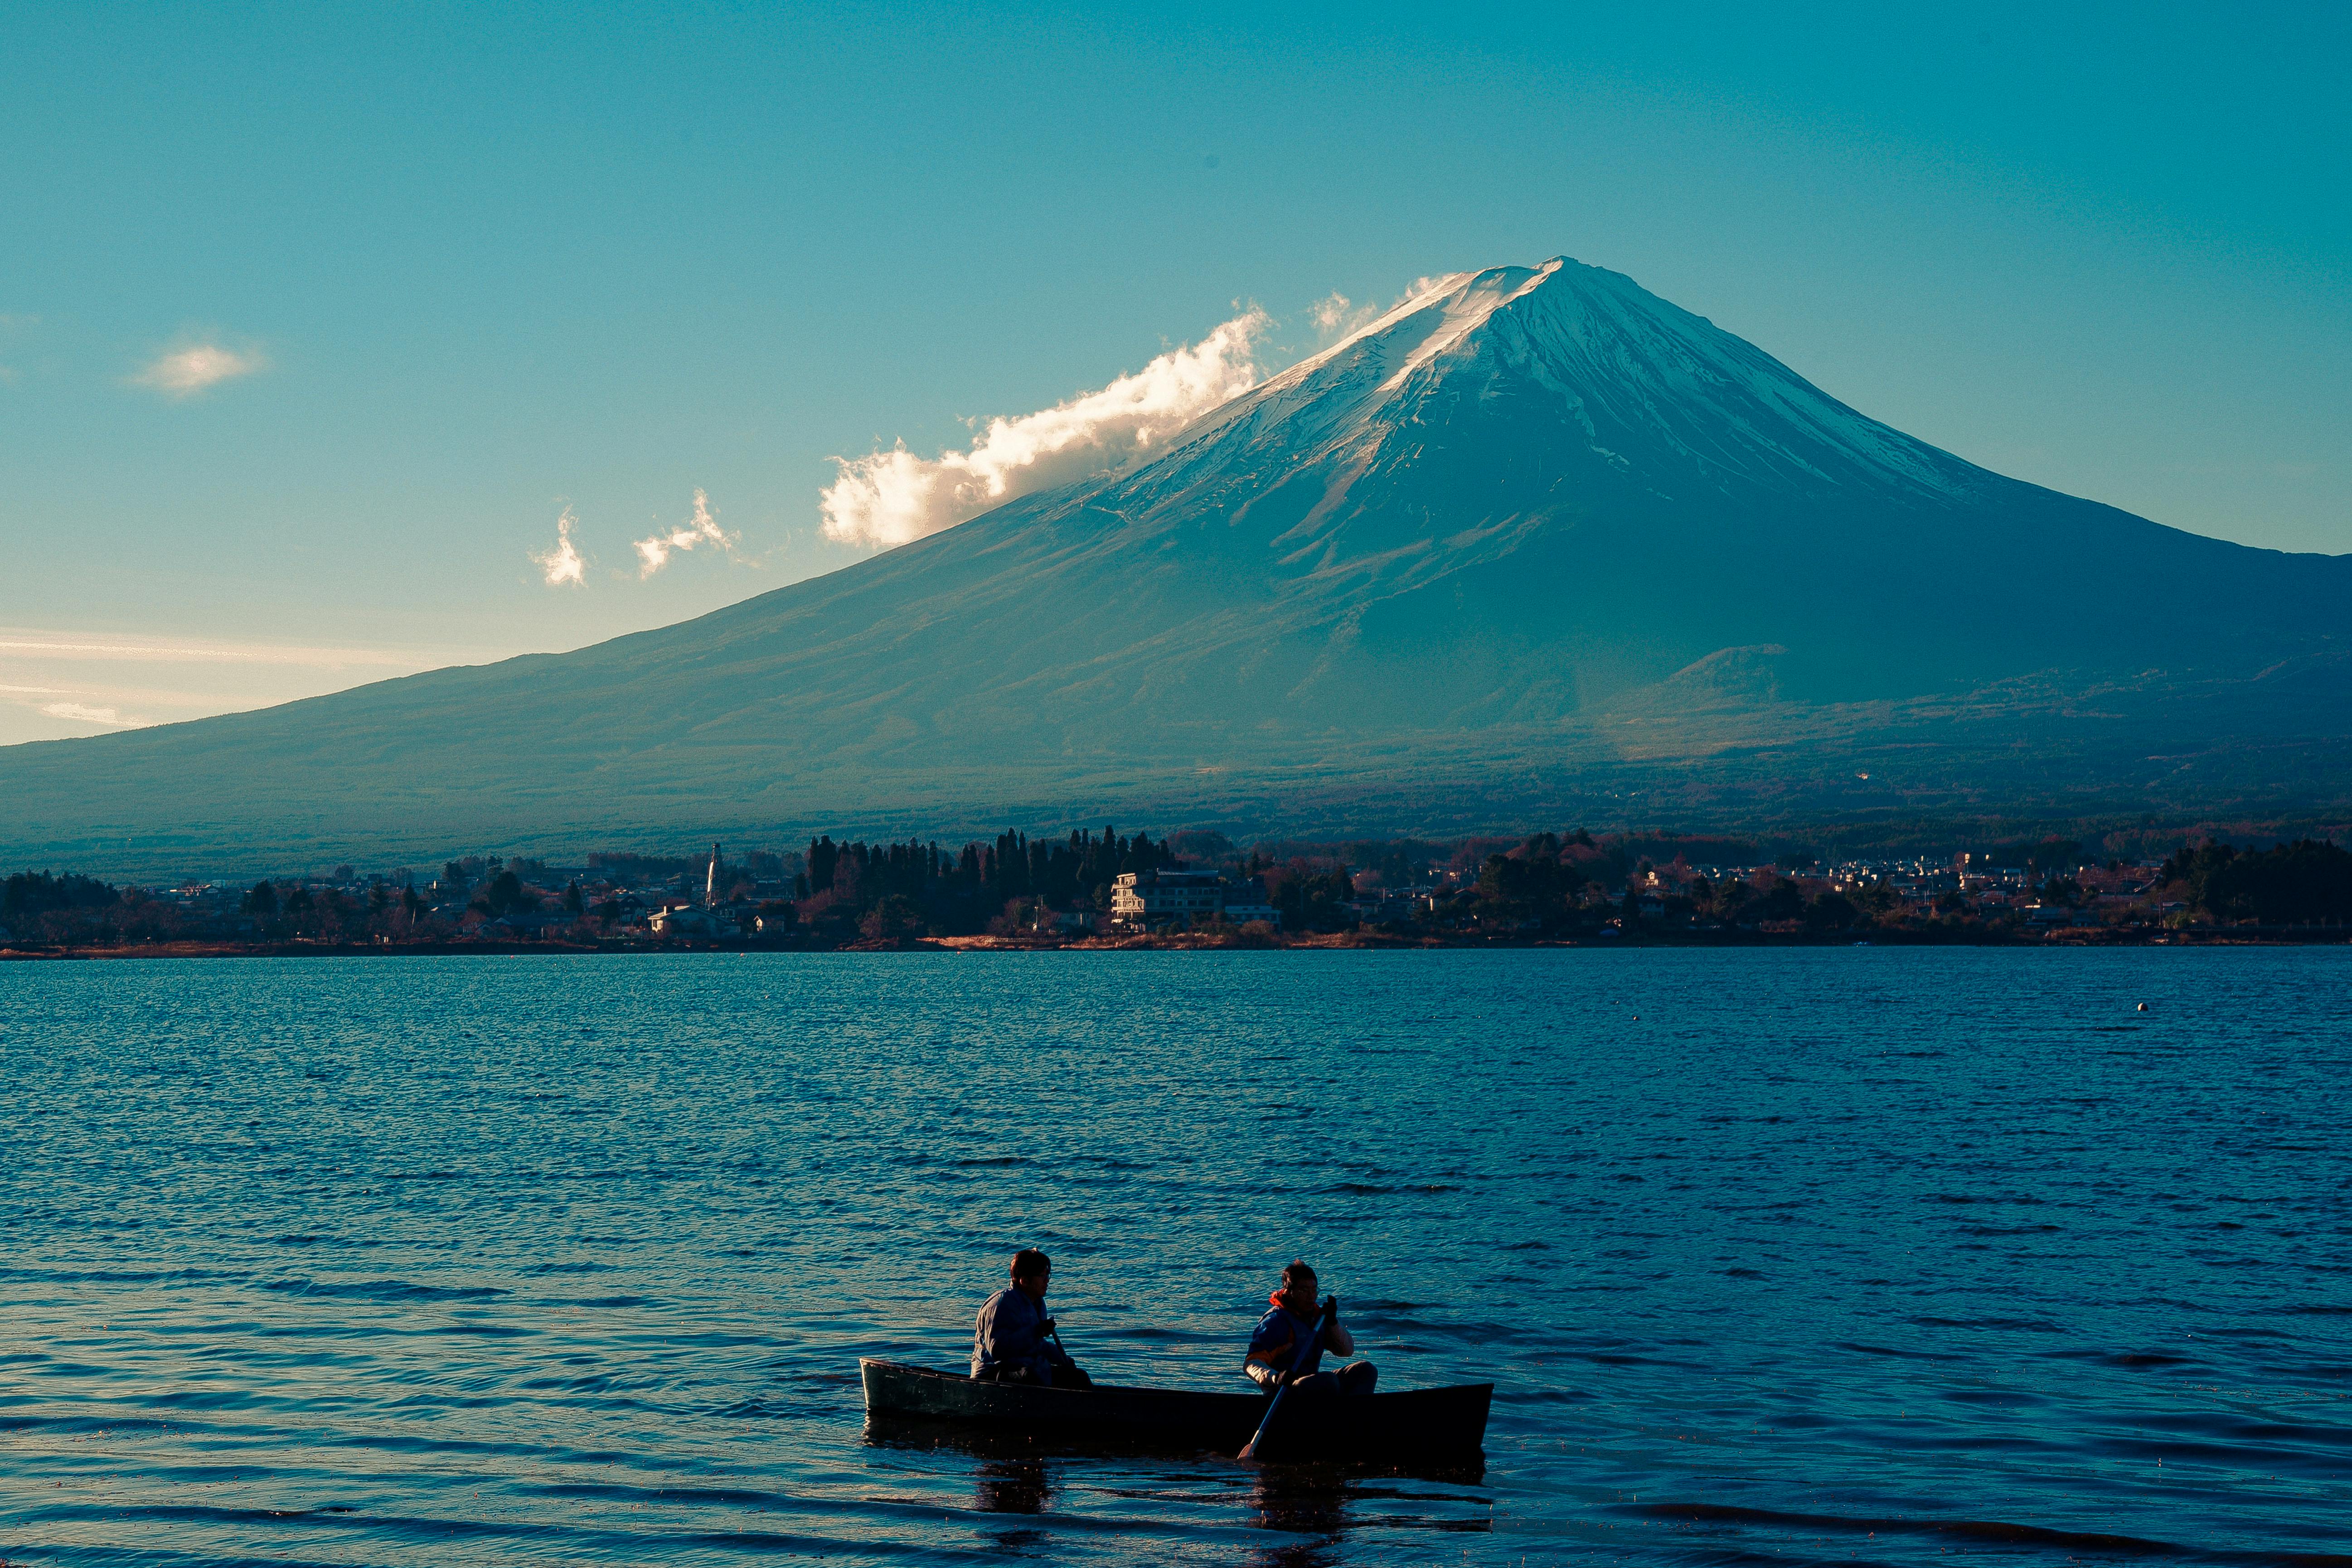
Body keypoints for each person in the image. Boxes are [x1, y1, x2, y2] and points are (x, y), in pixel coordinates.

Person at [1244, 1260, 1375, 1395]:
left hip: (1312, 1385)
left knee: (1366, 1370)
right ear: (1290, 1292)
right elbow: (1250, 1364)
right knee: (1328, 1381)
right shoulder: (1276, 1322)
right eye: (1304, 1291)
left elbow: (1347, 1351)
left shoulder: (1318, 1318)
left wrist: (1332, 1323)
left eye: (1314, 1290)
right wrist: (1276, 1377)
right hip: (1283, 1390)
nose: (1311, 1296)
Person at [971, 1248, 1091, 1387]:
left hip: (1028, 1366)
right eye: (1042, 1277)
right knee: (1031, 1376)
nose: (1047, 1281)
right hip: (993, 1372)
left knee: (1079, 1377)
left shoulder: (1038, 1303)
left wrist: (1062, 1359)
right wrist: (1035, 1332)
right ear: (1025, 1281)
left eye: (1048, 1276)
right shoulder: (1001, 1304)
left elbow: (1038, 1345)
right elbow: (997, 1350)